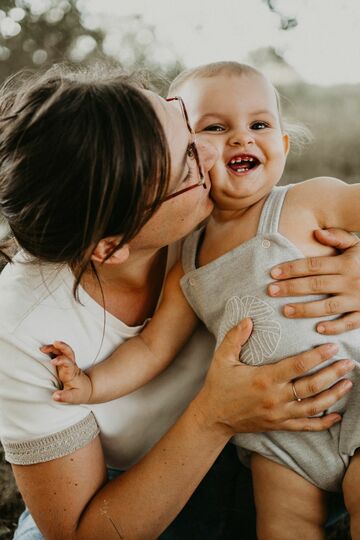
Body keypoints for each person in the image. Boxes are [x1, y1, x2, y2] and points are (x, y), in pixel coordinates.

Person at [0, 65, 358, 540]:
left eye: (184, 123)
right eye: (190, 158)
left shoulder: (267, 207)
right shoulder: (27, 325)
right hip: (217, 460)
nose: (214, 154)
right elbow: (152, 347)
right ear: (112, 246)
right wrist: (209, 414)